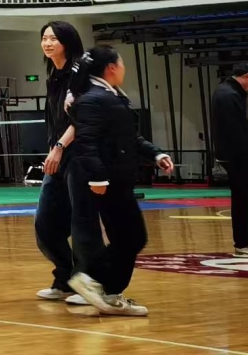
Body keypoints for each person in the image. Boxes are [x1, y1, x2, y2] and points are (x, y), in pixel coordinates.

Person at [66, 46, 174, 316]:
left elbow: (128, 137)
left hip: (117, 178)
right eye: (122, 63)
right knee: (132, 236)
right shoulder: (94, 99)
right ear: (111, 68)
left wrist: (156, 153)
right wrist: (98, 178)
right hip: (108, 181)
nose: (124, 68)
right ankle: (92, 280)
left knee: (127, 237)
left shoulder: (110, 96)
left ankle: (107, 291)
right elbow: (86, 143)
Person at [35, 21, 86, 301]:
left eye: (53, 38)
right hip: (56, 157)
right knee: (45, 224)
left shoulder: (79, 73)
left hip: (77, 158)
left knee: (81, 224)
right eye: (44, 38)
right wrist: (52, 149)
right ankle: (66, 277)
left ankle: (86, 282)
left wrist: (59, 147)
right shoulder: (53, 76)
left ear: (67, 41)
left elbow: (81, 118)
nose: (47, 43)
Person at [211, 65, 248, 258]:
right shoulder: (229, 95)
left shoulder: (228, 91)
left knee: (242, 198)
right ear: (247, 76)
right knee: (241, 199)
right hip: (237, 155)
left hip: (235, 154)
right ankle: (242, 243)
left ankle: (243, 242)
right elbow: (237, 130)